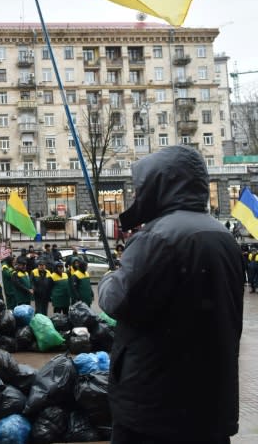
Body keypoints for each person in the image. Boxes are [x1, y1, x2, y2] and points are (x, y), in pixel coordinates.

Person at [98, 145, 243, 444]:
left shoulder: (157, 237)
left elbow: (117, 301)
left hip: (155, 404)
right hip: (211, 401)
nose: (138, 195)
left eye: (141, 187)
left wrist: (110, 278)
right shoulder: (222, 235)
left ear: (160, 184)